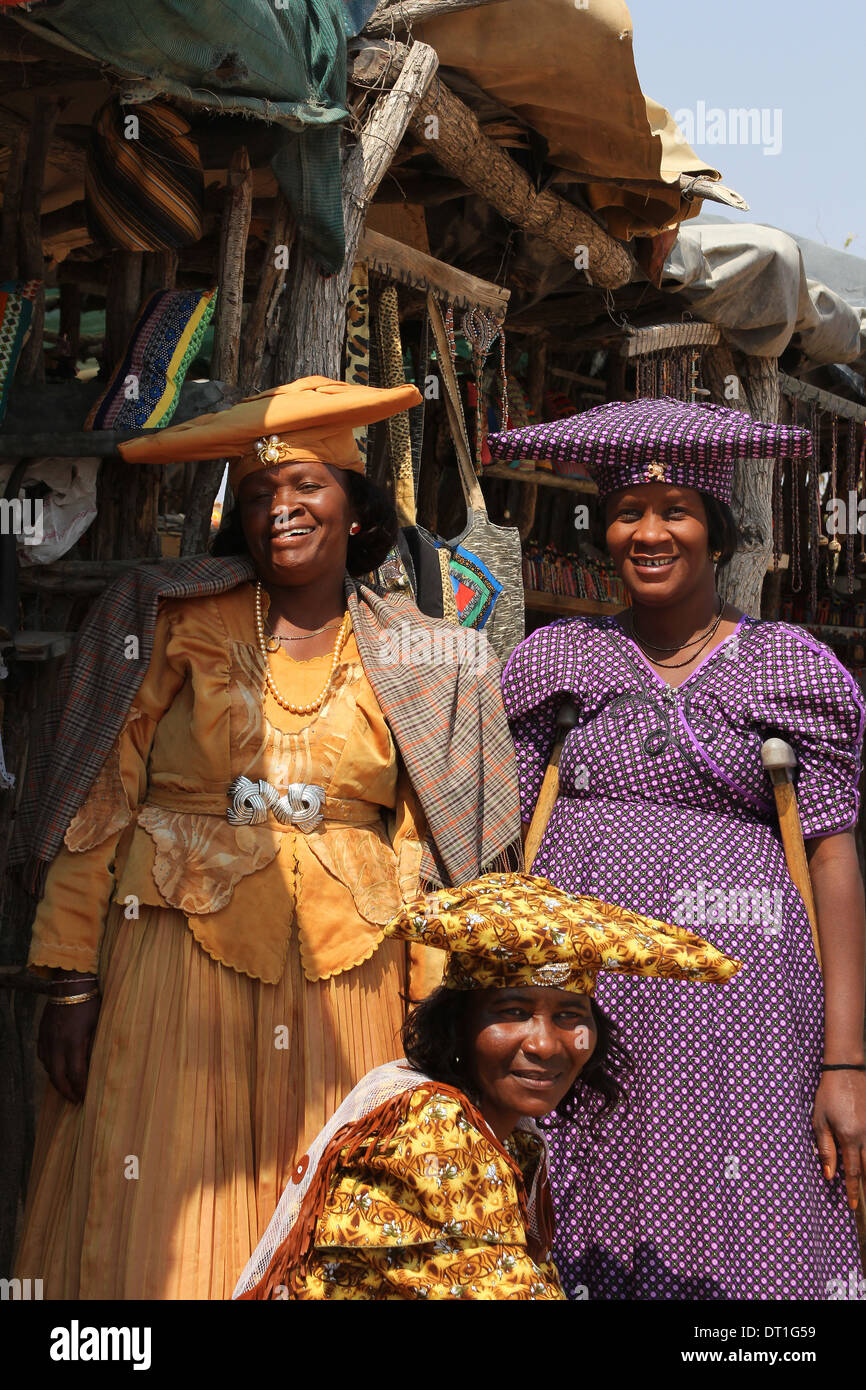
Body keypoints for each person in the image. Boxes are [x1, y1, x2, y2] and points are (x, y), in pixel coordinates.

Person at [13, 377, 522, 1300]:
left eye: (305, 490)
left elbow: (426, 841)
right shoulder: (165, 620)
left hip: (349, 979)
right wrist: (71, 977)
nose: (279, 512)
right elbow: (100, 802)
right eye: (257, 497)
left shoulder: (416, 651)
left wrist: (430, 996)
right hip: (173, 959)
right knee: (166, 1191)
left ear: (358, 509)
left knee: (331, 1196)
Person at [489, 395, 866, 1300]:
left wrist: (847, 1060)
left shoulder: (788, 666)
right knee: (587, 1193)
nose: (649, 533)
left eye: (675, 513)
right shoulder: (560, 661)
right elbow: (500, 836)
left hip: (746, 1008)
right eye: (627, 514)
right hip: (587, 998)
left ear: (718, 533)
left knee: (751, 1209)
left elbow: (832, 860)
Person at [234, 871, 740, 1300]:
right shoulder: (432, 1127)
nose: (544, 1043)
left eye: (569, 1016)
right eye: (513, 1013)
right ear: (458, 1027)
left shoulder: (513, 1139)